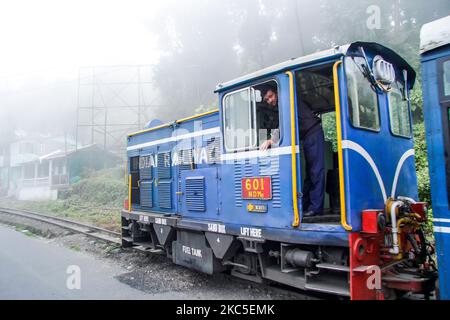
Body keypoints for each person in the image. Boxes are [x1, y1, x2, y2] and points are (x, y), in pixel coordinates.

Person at [260, 86, 325, 217]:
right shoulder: (283, 103)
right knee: (309, 173)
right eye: (267, 99)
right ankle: (306, 205)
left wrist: (270, 141)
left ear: (277, 92)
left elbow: (284, 124)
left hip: (313, 133)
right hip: (307, 137)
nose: (269, 100)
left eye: (271, 96)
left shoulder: (287, 100)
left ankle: (316, 208)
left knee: (316, 172)